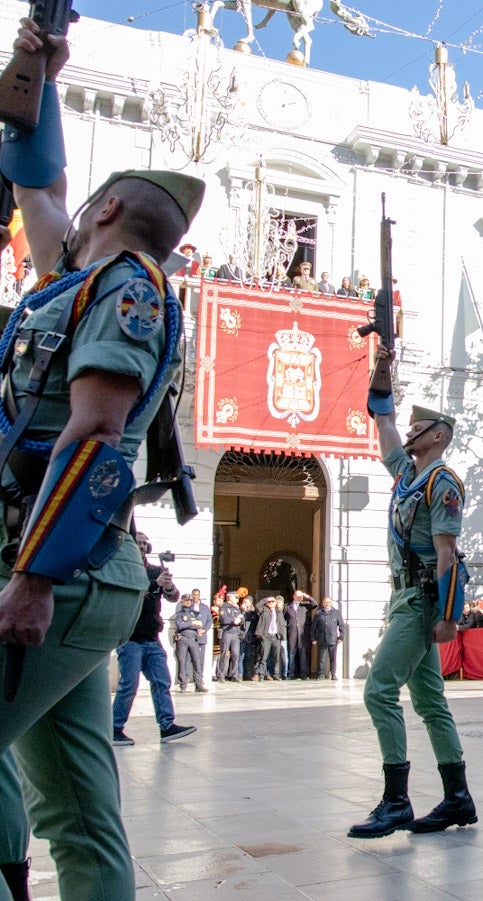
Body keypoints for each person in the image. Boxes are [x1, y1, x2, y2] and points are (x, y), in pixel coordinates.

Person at [0, 16, 204, 901]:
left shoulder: (130, 290)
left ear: (111, 210)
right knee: (78, 811)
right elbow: (39, 188)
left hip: (68, 570)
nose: (70, 212)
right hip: (65, 568)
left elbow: (93, 436)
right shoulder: (70, 279)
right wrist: (41, 76)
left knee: (72, 809)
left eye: (89, 205)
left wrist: (34, 578)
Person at [348, 357, 476, 839]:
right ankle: (458, 797)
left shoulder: (442, 482)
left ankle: (396, 800)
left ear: (439, 436)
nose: (409, 433)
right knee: (430, 703)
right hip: (404, 597)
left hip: (422, 600)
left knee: (379, 690)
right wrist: (381, 380)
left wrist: (447, 616)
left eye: (419, 428)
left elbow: (447, 554)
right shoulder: (407, 475)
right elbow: (383, 419)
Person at [111, 534, 197, 746]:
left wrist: (167, 586)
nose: (141, 546)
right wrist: (153, 584)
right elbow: (129, 593)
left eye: (144, 543)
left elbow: (174, 596)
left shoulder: (155, 570)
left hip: (151, 636)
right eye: (137, 542)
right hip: (130, 637)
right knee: (129, 684)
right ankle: (114, 728)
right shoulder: (125, 569)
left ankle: (167, 725)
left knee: (161, 681)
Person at [172, 595, 210, 691]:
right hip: (183, 639)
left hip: (193, 639)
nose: (188, 602)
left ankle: (198, 684)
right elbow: (180, 626)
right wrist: (192, 623)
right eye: (186, 600)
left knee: (197, 661)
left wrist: (189, 624)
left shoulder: (195, 613)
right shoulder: (179, 614)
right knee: (182, 661)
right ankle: (183, 684)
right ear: (182, 602)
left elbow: (200, 625)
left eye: (190, 600)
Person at [310, 596, 344, 678]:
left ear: (331, 603)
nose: (327, 604)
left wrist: (341, 637)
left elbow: (341, 626)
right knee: (321, 658)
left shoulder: (336, 612)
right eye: (325, 602)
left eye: (328, 602)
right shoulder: (318, 613)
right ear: (323, 603)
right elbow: (313, 627)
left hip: (332, 639)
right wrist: (313, 638)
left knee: (333, 658)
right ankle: (321, 674)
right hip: (321, 639)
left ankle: (333, 674)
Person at [215, 591, 244, 682]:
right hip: (226, 632)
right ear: (229, 598)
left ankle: (234, 675)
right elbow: (223, 619)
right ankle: (221, 674)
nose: (237, 599)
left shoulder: (236, 608)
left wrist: (239, 620)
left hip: (235, 633)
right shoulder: (223, 607)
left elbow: (242, 618)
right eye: (235, 598)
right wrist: (233, 621)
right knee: (224, 654)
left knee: (235, 654)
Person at [284, 590, 314, 679]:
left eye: (300, 596)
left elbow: (314, 603)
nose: (299, 598)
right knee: (291, 654)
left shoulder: (304, 606)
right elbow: (283, 618)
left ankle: (303, 674)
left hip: (302, 635)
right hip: (292, 634)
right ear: (293, 596)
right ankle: (291, 673)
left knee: (303, 655)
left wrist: (306, 596)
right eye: (297, 596)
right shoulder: (287, 607)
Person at [256, 596, 285, 680]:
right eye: (270, 602)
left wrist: (283, 636)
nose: (271, 603)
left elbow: (282, 624)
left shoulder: (278, 611)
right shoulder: (264, 610)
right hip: (266, 636)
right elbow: (257, 606)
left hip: (276, 636)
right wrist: (266, 599)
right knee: (263, 656)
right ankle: (261, 674)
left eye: (273, 602)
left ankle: (276, 674)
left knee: (276, 657)